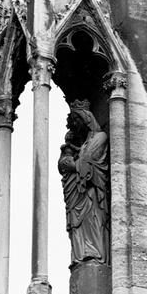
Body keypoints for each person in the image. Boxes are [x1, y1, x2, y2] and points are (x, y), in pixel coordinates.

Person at [58, 100, 110, 268]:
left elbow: (87, 162)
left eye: (77, 121)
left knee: (92, 220)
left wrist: (73, 164)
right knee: (77, 225)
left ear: (87, 119)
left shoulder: (99, 137)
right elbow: (66, 165)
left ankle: (94, 252)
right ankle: (80, 255)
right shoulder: (78, 145)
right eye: (72, 123)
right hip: (77, 194)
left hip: (91, 192)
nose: (74, 125)